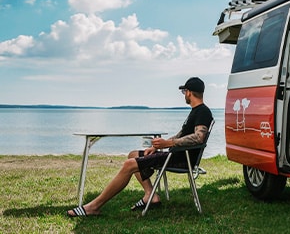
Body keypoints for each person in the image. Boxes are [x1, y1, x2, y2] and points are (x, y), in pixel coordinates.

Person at [67, 77, 213, 217]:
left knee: (129, 165)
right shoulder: (196, 111)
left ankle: (93, 207)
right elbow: (180, 135)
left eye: (184, 92)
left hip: (180, 159)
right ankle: (151, 195)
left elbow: (199, 137)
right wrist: (157, 146)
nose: (184, 96)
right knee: (133, 155)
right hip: (175, 155)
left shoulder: (203, 112)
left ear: (188, 92)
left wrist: (168, 144)